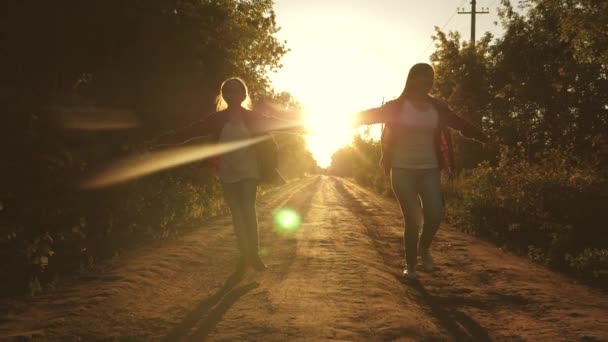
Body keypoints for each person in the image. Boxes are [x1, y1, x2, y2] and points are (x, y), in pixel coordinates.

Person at [355, 63, 491, 280]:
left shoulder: (438, 107)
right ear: (412, 79)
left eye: (431, 79)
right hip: (401, 169)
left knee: (435, 215)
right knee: (413, 218)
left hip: (430, 168)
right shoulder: (396, 107)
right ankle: (410, 266)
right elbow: (368, 116)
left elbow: (459, 124)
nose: (427, 83)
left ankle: (424, 247)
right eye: (423, 78)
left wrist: (483, 137)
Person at [155, 77, 304, 272]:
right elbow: (191, 131)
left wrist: (313, 126)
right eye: (229, 91)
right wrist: (161, 141)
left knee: (248, 210)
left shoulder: (253, 118)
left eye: (237, 91)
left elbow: (286, 124)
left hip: (250, 170)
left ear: (243, 95)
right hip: (227, 171)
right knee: (236, 213)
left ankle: (254, 254)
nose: (233, 95)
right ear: (224, 95)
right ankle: (243, 254)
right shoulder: (216, 119)